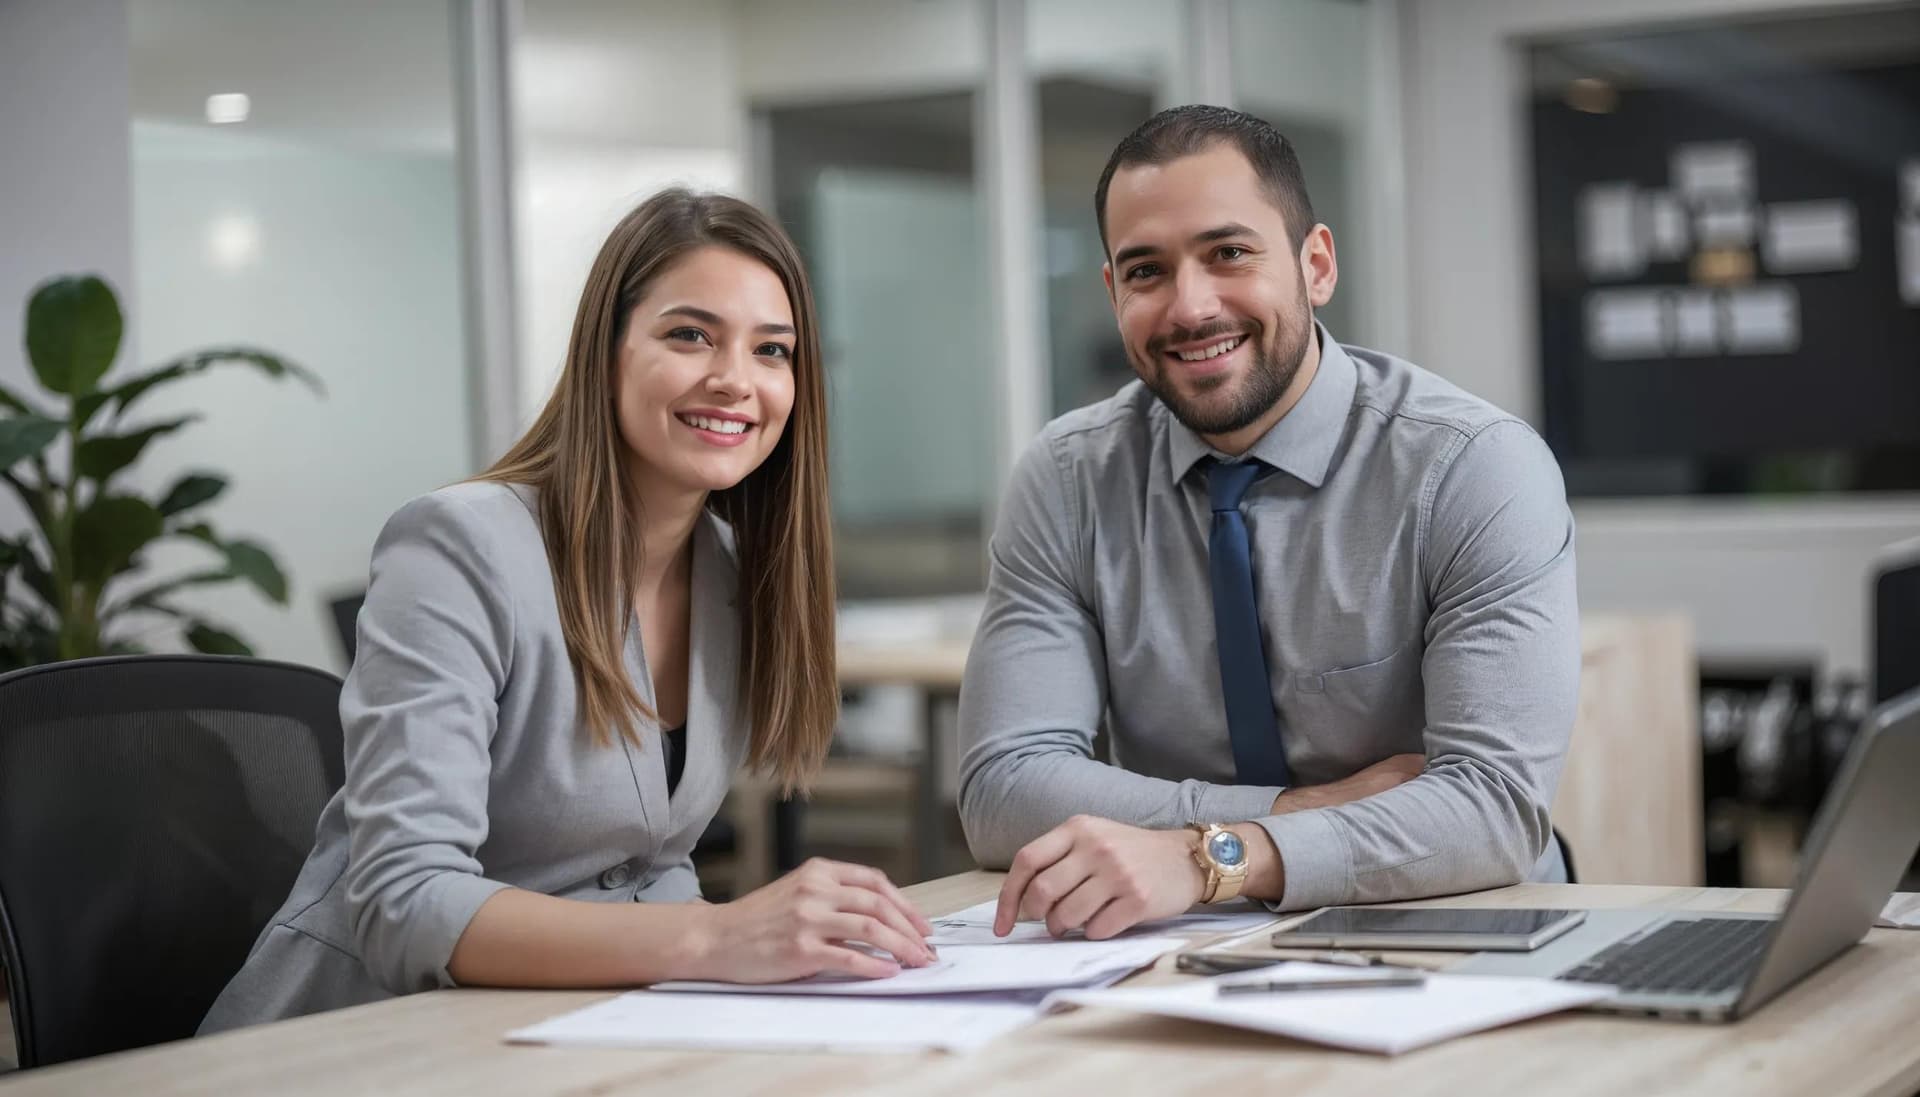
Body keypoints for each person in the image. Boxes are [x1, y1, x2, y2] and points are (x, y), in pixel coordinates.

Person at [201, 189, 935, 1033]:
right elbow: (405, 900)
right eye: (690, 334)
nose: (735, 378)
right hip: (355, 1039)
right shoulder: (458, 544)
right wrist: (718, 934)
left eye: (772, 350)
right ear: (608, 352)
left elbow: (651, 867)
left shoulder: (733, 574)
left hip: (564, 1027)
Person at [957, 106, 1579, 940]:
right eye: (1146, 271)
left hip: (1455, 918)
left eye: (1229, 253)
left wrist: (1207, 855)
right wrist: (1278, 817)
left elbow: (1493, 807)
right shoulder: (1069, 479)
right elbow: (1004, 786)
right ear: (1114, 293)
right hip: (1174, 942)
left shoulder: (1470, 466)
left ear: (1315, 265)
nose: (1190, 306)